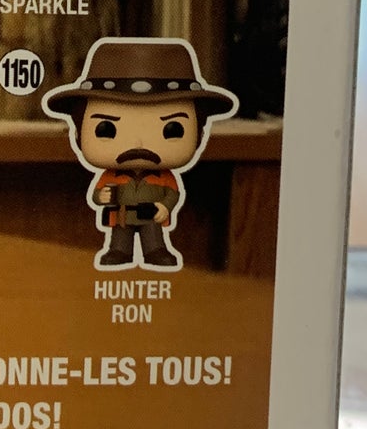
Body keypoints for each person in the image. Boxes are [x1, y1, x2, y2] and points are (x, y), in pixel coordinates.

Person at [42, 37, 238, 272]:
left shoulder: (165, 178)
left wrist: (164, 207)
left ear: (199, 133)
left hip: (151, 215)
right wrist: (101, 196)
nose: (138, 143)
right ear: (78, 132)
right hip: (121, 215)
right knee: (120, 240)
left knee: (153, 238)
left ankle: (155, 250)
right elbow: (96, 195)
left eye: (172, 129)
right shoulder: (110, 176)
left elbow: (172, 194)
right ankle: (119, 251)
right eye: (106, 128)